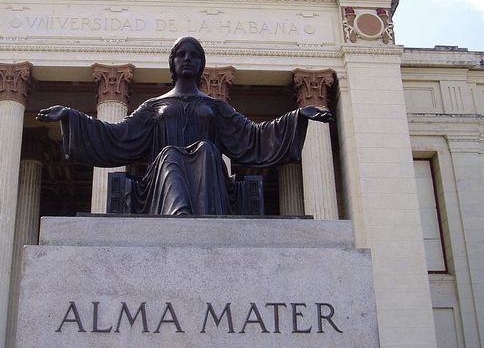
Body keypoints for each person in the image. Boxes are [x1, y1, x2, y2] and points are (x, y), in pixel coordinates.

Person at [37, 36, 332, 215]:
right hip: (160, 185)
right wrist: (70, 117)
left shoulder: (216, 107)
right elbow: (116, 136)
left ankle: (195, 219)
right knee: (169, 155)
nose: (187, 59)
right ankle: (179, 216)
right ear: (172, 63)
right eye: (181, 55)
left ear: (202, 64)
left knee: (204, 149)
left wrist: (297, 117)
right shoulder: (154, 107)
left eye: (194, 55)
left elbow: (253, 137)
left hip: (212, 184)